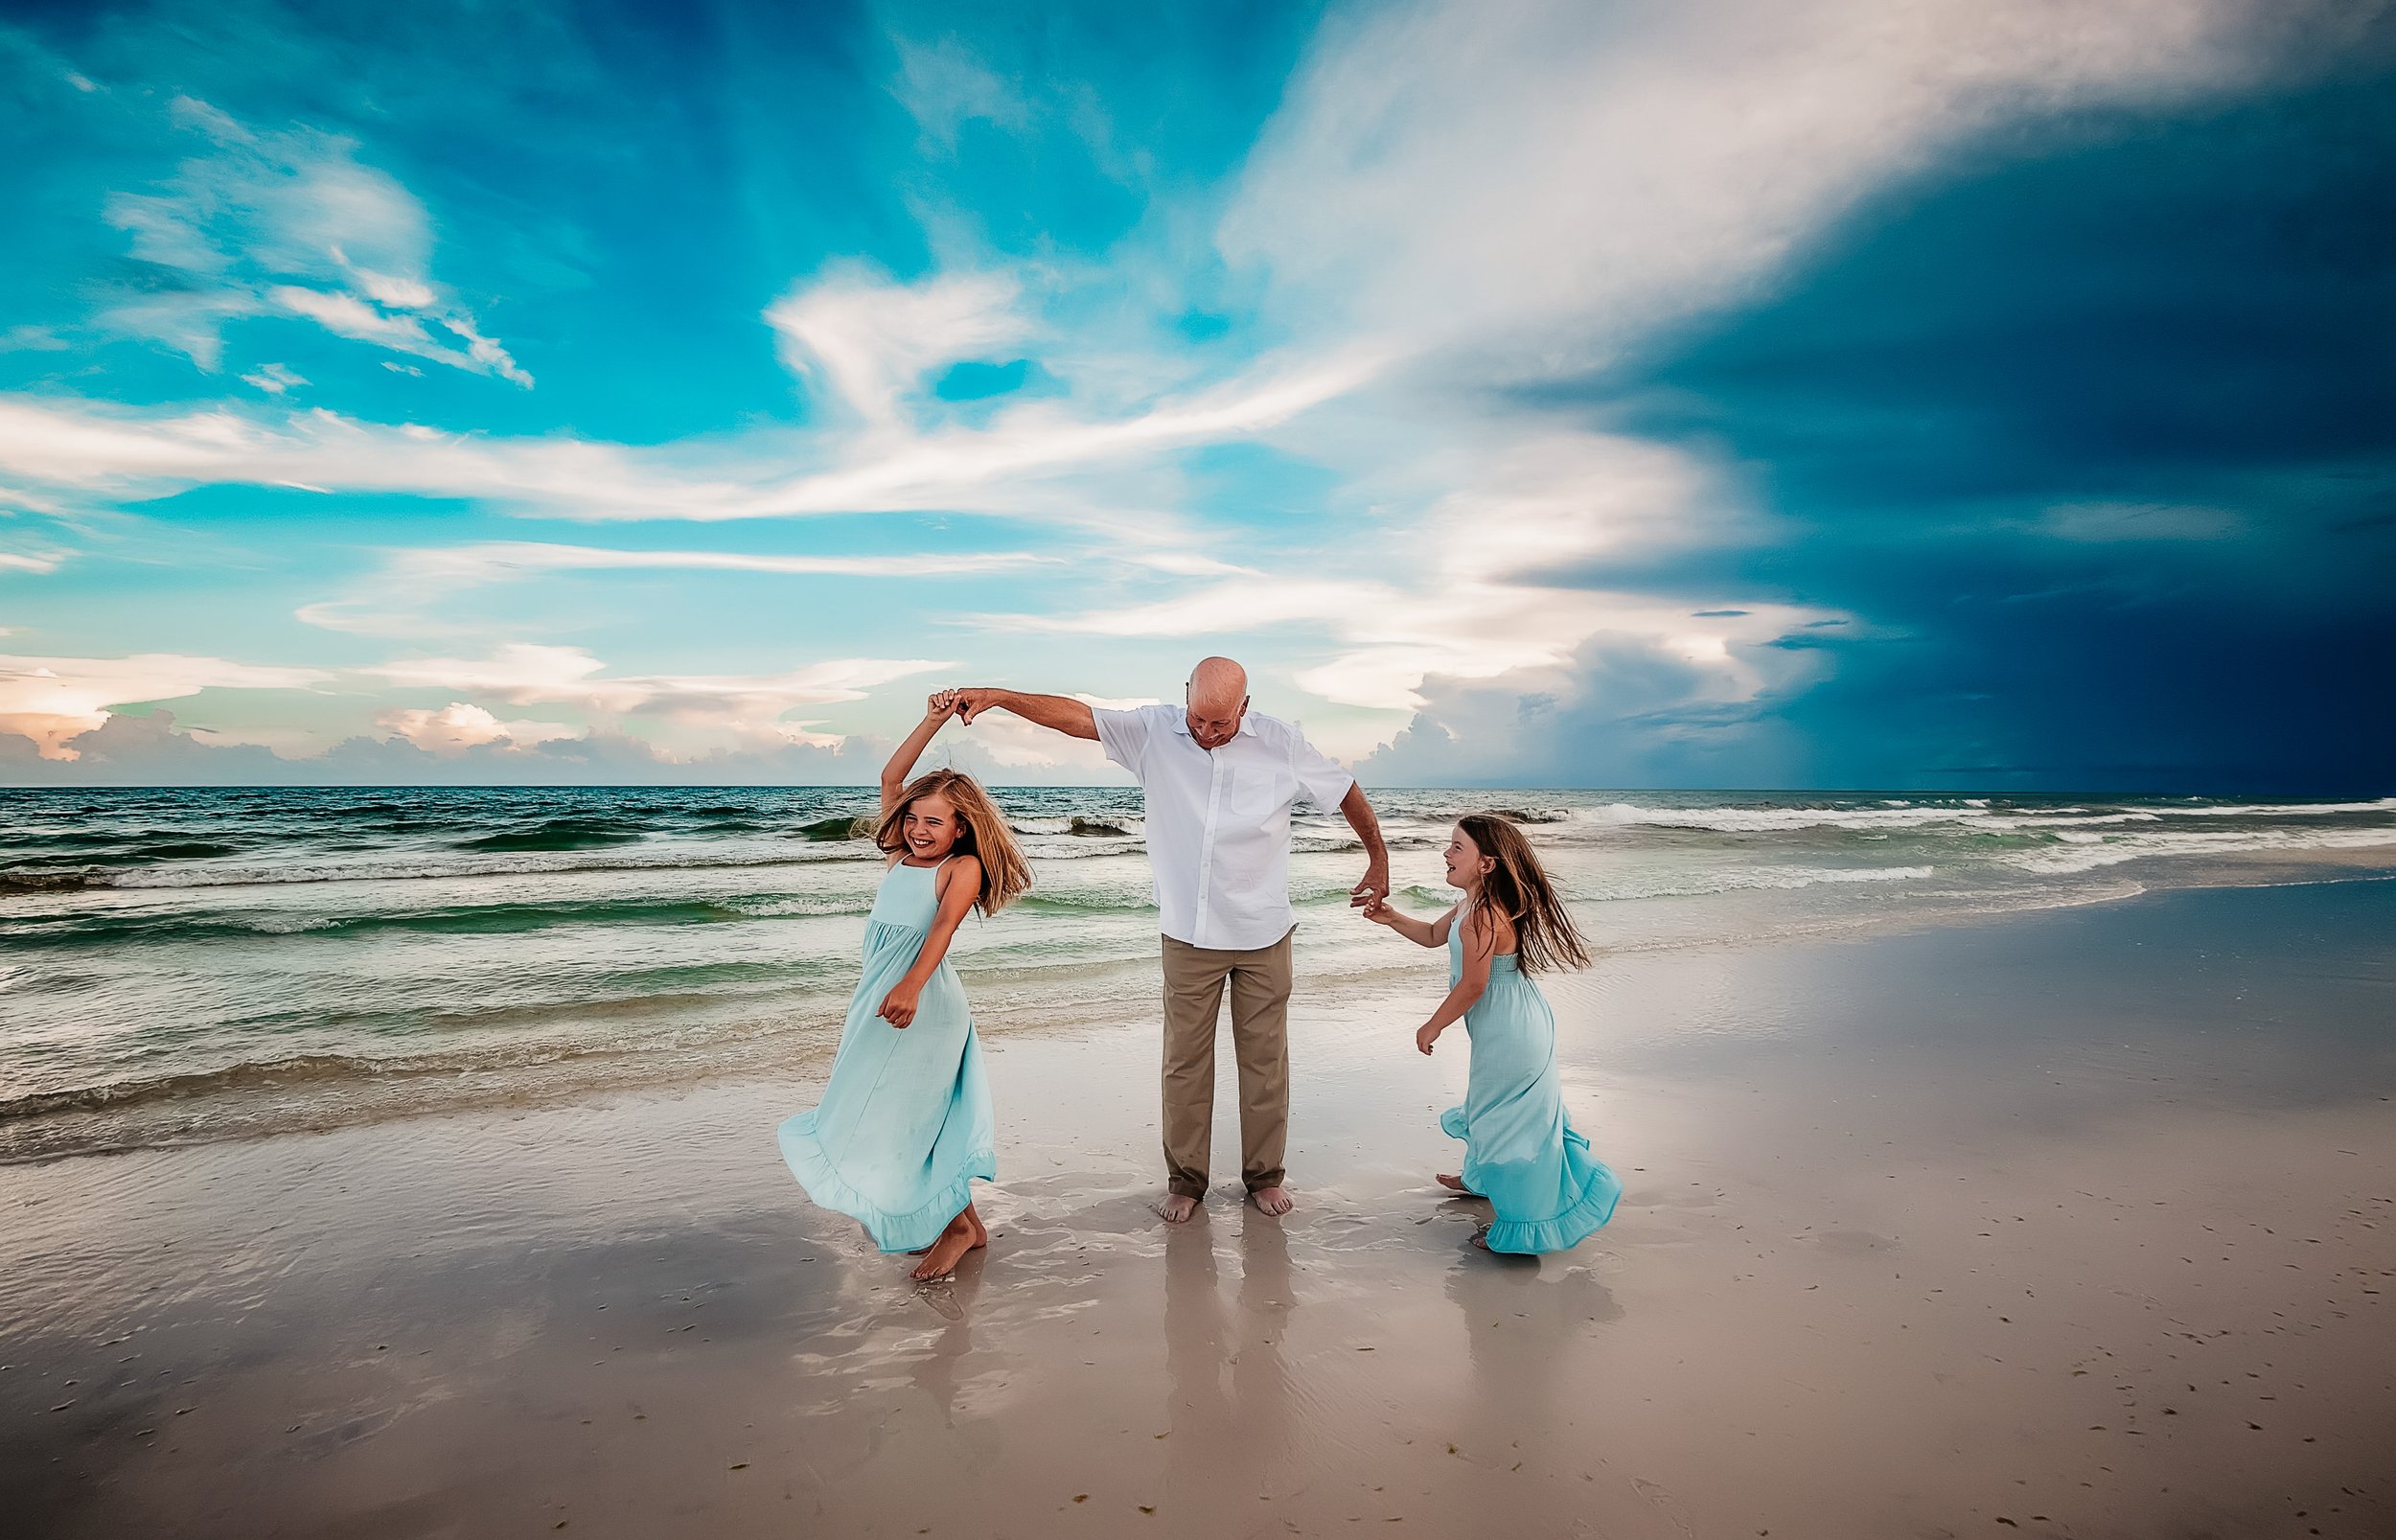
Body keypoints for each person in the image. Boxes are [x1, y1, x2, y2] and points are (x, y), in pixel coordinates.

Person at [953, 657, 1389, 1221]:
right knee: (1185, 1064)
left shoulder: (1283, 743)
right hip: (1188, 934)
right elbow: (1078, 718)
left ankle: (1264, 1177)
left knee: (1264, 1064)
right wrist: (998, 695)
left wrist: (1377, 856)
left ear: (1245, 709)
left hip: (1263, 932)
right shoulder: (1154, 731)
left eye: (1221, 725)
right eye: (1199, 720)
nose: (1207, 734)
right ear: (1185, 697)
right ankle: (1186, 1181)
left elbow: (1345, 789)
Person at [777, 691, 1032, 1280]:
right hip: (880, 996)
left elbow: (942, 931)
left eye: (934, 821)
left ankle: (960, 1228)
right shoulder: (899, 854)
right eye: (912, 818)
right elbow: (893, 775)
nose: (918, 829)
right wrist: (935, 718)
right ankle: (960, 1223)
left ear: (962, 826)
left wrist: (913, 987)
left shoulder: (959, 868)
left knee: (920, 1116)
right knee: (887, 1110)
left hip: (924, 1003)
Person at [1360, 813, 1622, 1253]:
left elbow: (1475, 984)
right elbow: (1430, 936)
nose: (1446, 852)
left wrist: (1433, 1024)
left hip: (1511, 1028)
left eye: (1457, 847)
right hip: (1509, 1022)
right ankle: (1480, 1179)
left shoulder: (1484, 916)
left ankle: (1525, 1224)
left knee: (1510, 1120)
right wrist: (1390, 918)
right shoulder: (1468, 906)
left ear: (1486, 864)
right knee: (1489, 1105)